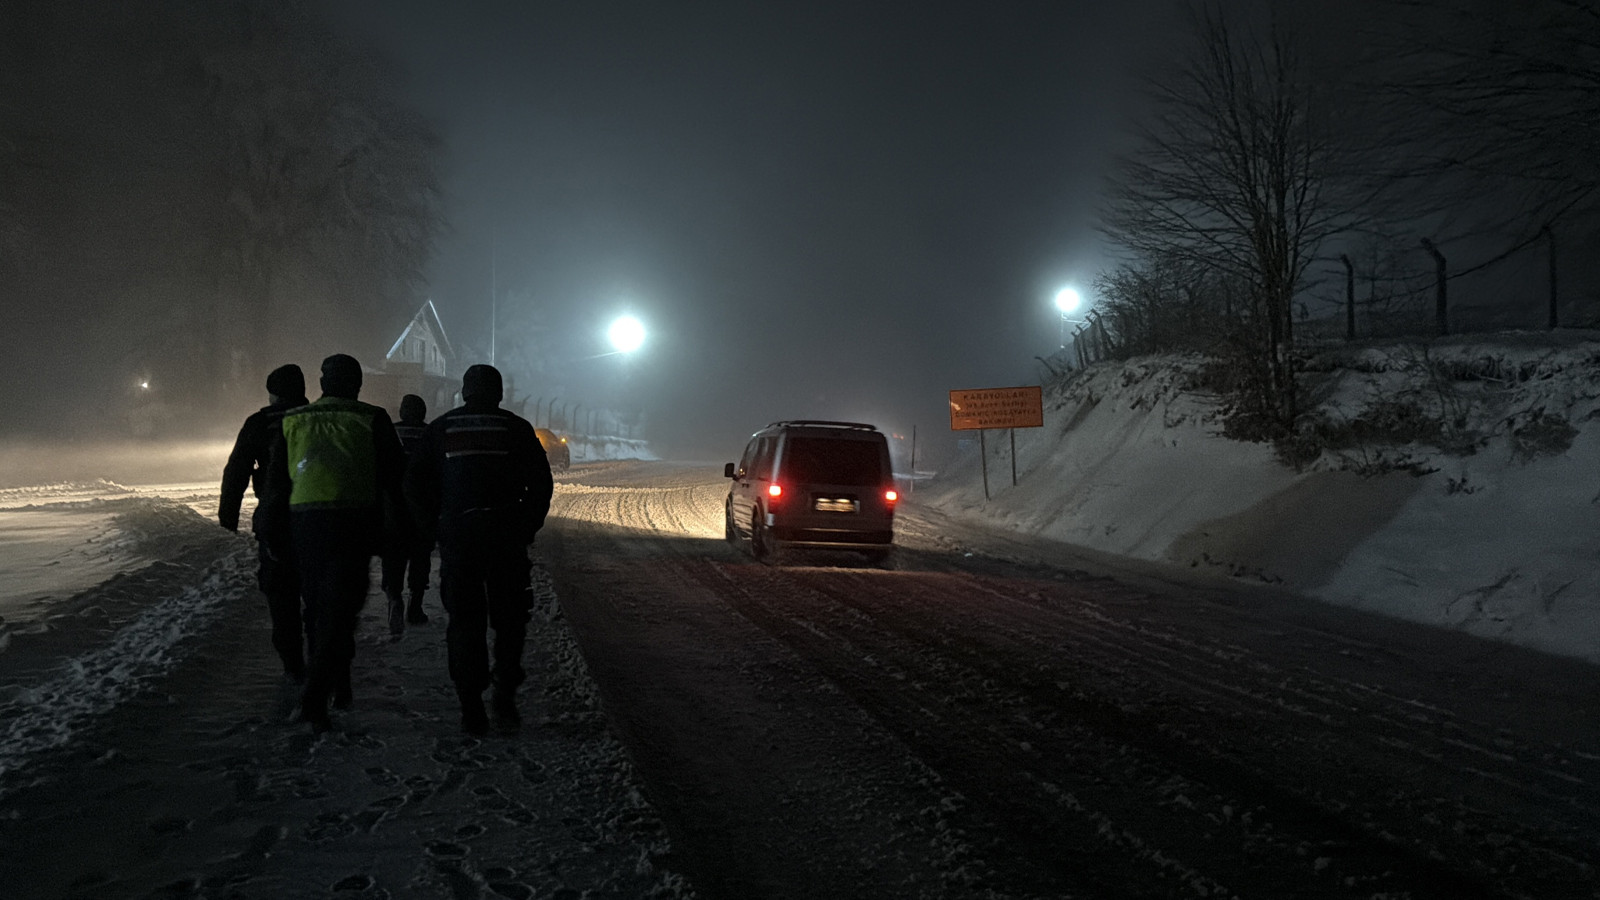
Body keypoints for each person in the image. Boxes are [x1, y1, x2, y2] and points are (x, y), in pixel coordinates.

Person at [405, 364, 553, 734]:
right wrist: (525, 527)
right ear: (499, 392)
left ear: (464, 392)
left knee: (465, 622)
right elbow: (541, 485)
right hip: (506, 540)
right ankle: (504, 692)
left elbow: (415, 485)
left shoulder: (441, 429)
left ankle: (470, 705)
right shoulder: (516, 429)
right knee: (510, 620)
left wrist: (434, 529)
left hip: (459, 540)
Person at [261, 353, 406, 732]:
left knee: (318, 609)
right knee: (342, 612)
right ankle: (318, 696)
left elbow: (276, 486)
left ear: (322, 384)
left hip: (304, 527)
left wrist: (271, 534)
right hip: (353, 525)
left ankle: (332, 686)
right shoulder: (372, 419)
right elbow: (397, 481)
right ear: (357, 384)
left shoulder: (293, 421)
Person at [218, 363, 310, 682]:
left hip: (276, 521)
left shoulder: (260, 423)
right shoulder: (320, 418)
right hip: (321, 518)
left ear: (273, 394)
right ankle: (326, 659)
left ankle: (293, 665)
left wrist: (228, 518)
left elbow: (236, 472)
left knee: (281, 595)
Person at [381, 393, 433, 635]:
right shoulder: (430, 434)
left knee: (393, 556)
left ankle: (394, 598)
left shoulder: (390, 432)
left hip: (393, 506)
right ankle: (416, 605)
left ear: (402, 412)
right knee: (420, 556)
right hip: (423, 507)